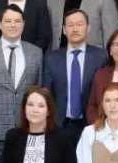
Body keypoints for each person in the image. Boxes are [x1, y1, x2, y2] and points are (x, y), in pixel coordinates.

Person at [0, 5, 44, 160]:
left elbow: (39, 94)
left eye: (17, 21)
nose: (13, 25)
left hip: (26, 128)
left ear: (23, 24)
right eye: (8, 21)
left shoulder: (36, 53)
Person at [41, 10, 107, 142]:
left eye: (79, 24)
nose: (75, 29)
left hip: (91, 124)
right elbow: (46, 93)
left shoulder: (101, 56)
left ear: (88, 28)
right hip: (59, 125)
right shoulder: (51, 58)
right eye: (70, 25)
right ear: (64, 30)